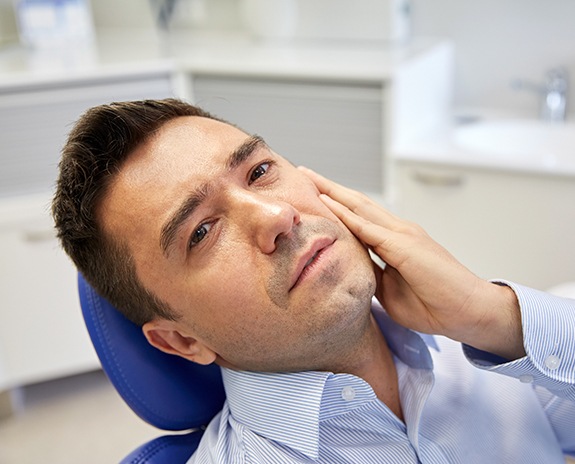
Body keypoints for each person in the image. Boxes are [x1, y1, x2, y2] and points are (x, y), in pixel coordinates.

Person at [52, 98, 575, 463]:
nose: (276, 215)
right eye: (203, 231)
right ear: (181, 340)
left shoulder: (496, 342)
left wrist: (495, 316)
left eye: (258, 172)